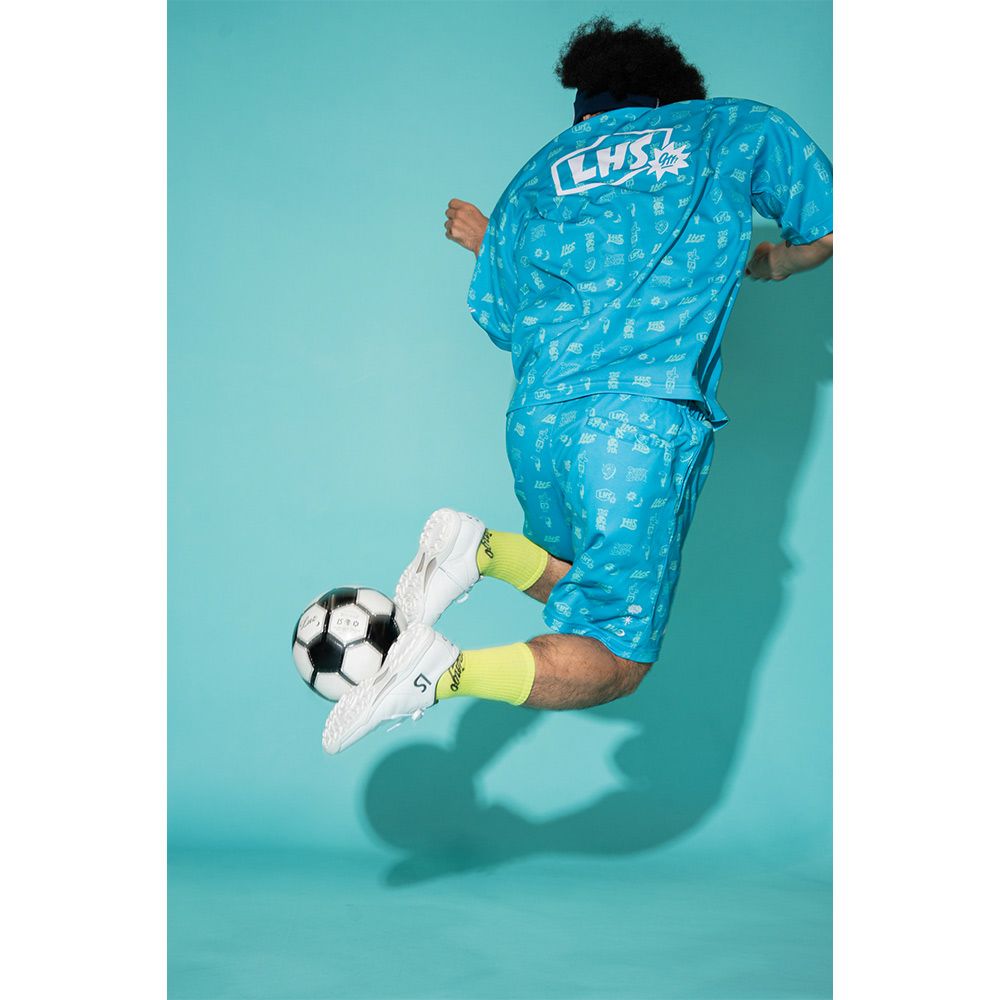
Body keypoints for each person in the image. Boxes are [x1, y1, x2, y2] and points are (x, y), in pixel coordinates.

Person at [322, 16, 833, 754]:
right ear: (676, 92)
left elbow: (507, 318)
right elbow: (835, 223)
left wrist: (492, 239)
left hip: (540, 422)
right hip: (640, 419)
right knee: (616, 658)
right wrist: (785, 260)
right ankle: (441, 672)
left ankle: (481, 550)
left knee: (573, 581)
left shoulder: (538, 172)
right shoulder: (729, 126)